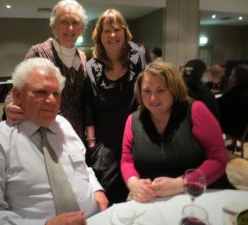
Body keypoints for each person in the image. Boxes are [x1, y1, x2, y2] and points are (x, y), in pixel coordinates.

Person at [0, 58, 108, 225]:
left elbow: (82, 166)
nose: (52, 101)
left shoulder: (64, 125)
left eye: (56, 93)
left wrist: (96, 189)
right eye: (40, 92)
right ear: (17, 95)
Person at [121, 62, 230, 203]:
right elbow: (126, 161)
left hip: (198, 196)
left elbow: (218, 159)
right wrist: (133, 183)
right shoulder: (133, 120)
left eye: (161, 90)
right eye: (147, 91)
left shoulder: (196, 110)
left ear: (174, 89)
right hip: (153, 201)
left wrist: (182, 183)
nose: (153, 98)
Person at [84, 9, 146, 205]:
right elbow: (88, 108)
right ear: (99, 36)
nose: (112, 35)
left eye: (117, 29)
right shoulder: (91, 66)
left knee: (141, 189)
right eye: (106, 30)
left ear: (124, 32)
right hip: (106, 139)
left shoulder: (138, 57)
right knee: (109, 192)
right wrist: (93, 145)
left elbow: (145, 95)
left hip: (135, 135)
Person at [3, 0, 88, 141]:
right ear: (54, 27)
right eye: (64, 22)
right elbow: (17, 88)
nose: (70, 28)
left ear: (81, 28)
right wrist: (9, 107)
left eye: (75, 22)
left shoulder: (83, 57)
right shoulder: (39, 51)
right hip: (45, 127)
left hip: (76, 130)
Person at [218, 64, 248, 151]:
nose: (230, 77)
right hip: (244, 129)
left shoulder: (233, 93)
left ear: (235, 78)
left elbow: (219, 105)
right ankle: (233, 143)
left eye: (231, 74)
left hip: (235, 128)